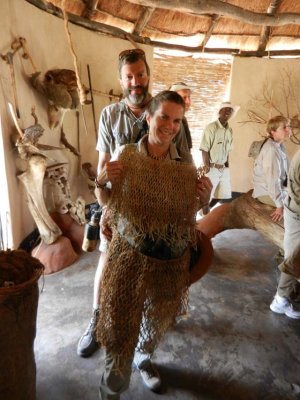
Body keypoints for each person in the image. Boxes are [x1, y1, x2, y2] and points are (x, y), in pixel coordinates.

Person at [94, 90, 212, 400]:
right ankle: (114, 384)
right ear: (149, 118)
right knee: (120, 327)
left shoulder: (185, 165)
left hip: (169, 264)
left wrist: (204, 200)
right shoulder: (127, 154)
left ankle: (143, 358)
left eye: (177, 121)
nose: (170, 126)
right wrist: (102, 182)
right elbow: (109, 202)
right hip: (128, 259)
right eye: (164, 117)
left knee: (152, 321)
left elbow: (188, 215)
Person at [77, 49, 189, 372]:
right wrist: (106, 212)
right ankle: (97, 322)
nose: (135, 82)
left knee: (153, 283)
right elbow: (102, 167)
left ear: (148, 74)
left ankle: (144, 347)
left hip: (158, 216)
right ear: (120, 80)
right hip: (119, 209)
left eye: (140, 74)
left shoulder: (164, 111)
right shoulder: (110, 116)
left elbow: (184, 165)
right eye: (129, 76)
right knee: (107, 265)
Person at [269, 149, 300, 319]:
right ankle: (281, 300)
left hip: (292, 207)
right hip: (296, 211)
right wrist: (278, 205)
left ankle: (287, 297)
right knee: (295, 258)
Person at [199, 101, 239, 214]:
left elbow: (228, 151)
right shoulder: (211, 128)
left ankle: (205, 212)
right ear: (220, 111)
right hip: (211, 167)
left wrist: (228, 167)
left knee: (223, 194)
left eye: (230, 111)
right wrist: (207, 167)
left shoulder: (229, 130)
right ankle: (199, 216)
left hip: (223, 168)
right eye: (225, 109)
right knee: (206, 194)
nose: (228, 112)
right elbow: (204, 148)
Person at [252, 115, 290, 222]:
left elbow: (287, 172)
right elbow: (272, 180)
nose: (288, 129)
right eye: (284, 127)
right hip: (266, 192)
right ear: (273, 132)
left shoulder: (280, 146)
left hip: (280, 188)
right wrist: (279, 206)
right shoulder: (271, 149)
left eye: (288, 126)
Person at [169, 81, 193, 151]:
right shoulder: (170, 121)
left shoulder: (182, 119)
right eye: (184, 97)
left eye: (189, 97)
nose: (188, 101)